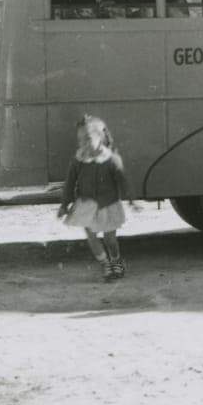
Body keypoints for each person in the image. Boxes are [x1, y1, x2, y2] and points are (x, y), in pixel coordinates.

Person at [57, 115, 139, 282]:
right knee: (91, 235)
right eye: (80, 140)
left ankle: (116, 259)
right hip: (86, 204)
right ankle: (105, 263)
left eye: (88, 139)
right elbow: (69, 183)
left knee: (110, 238)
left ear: (100, 137)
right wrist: (64, 205)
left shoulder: (111, 159)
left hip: (108, 204)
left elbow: (123, 180)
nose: (84, 144)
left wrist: (131, 200)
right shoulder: (78, 160)